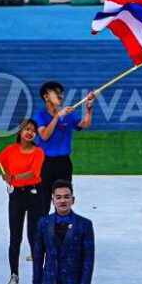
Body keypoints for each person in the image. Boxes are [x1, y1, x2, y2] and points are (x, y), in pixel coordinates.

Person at [0, 119, 45, 284]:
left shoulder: (38, 152)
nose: (29, 133)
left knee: (34, 236)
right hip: (16, 197)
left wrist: (13, 177)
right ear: (20, 132)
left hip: (34, 196)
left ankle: (39, 275)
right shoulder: (11, 150)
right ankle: (14, 275)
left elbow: (34, 173)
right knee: (15, 237)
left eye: (33, 130)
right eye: (26, 129)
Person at [33, 82, 94, 212]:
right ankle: (43, 229)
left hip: (63, 163)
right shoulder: (39, 116)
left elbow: (85, 124)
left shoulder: (68, 114)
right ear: (46, 97)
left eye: (61, 93)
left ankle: (62, 229)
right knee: (43, 201)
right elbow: (44, 135)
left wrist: (88, 108)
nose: (61, 96)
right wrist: (57, 117)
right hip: (44, 163)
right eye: (56, 93)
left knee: (63, 200)